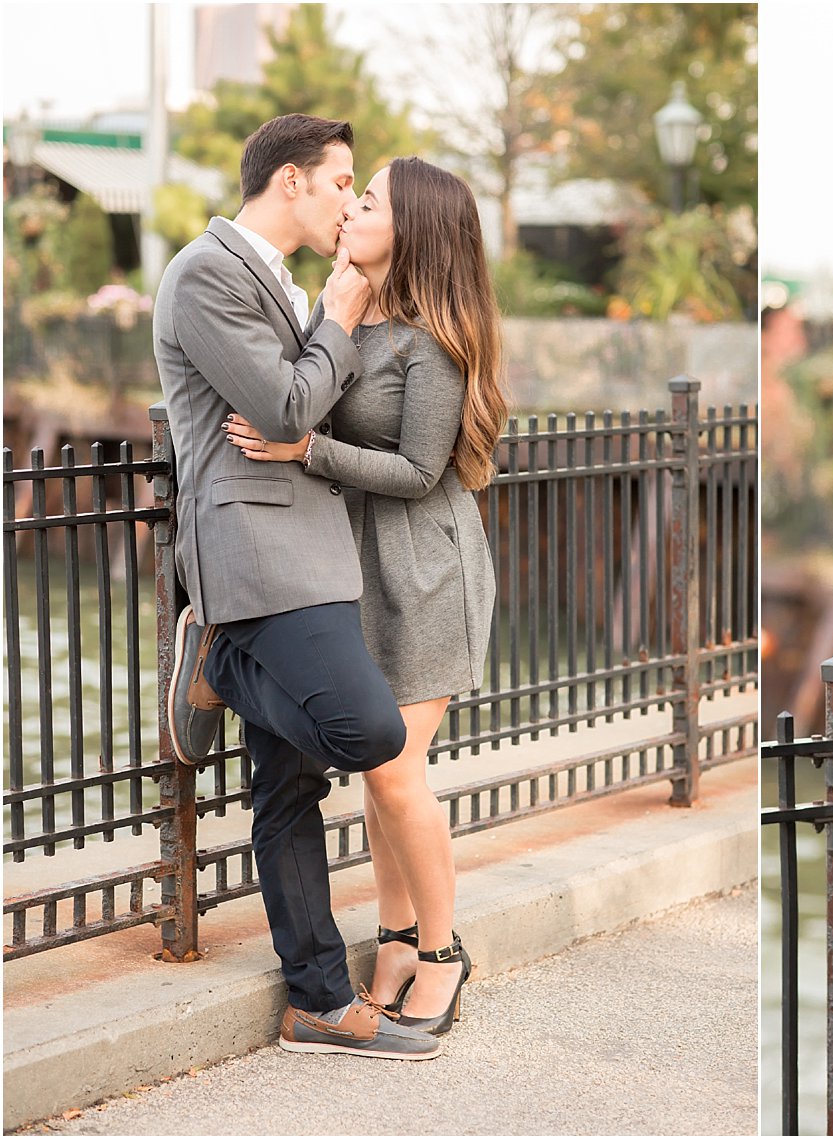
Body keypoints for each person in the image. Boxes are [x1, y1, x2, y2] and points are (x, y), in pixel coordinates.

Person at [155, 114, 439, 1060]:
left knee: (288, 792)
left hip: (310, 551)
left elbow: (300, 400)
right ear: (288, 180)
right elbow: (281, 404)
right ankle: (218, 658)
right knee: (371, 731)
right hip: (258, 558)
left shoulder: (274, 278)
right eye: (339, 181)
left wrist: (331, 319)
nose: (350, 200)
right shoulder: (205, 273)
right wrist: (342, 319)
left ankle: (317, 998)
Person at [223, 157, 507, 1036]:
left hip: (426, 567)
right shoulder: (343, 308)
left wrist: (306, 452)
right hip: (351, 567)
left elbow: (422, 472)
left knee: (394, 772)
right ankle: (392, 936)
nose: (350, 207)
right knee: (378, 773)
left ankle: (443, 952)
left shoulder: (434, 340)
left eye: (369, 198)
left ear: (412, 227)